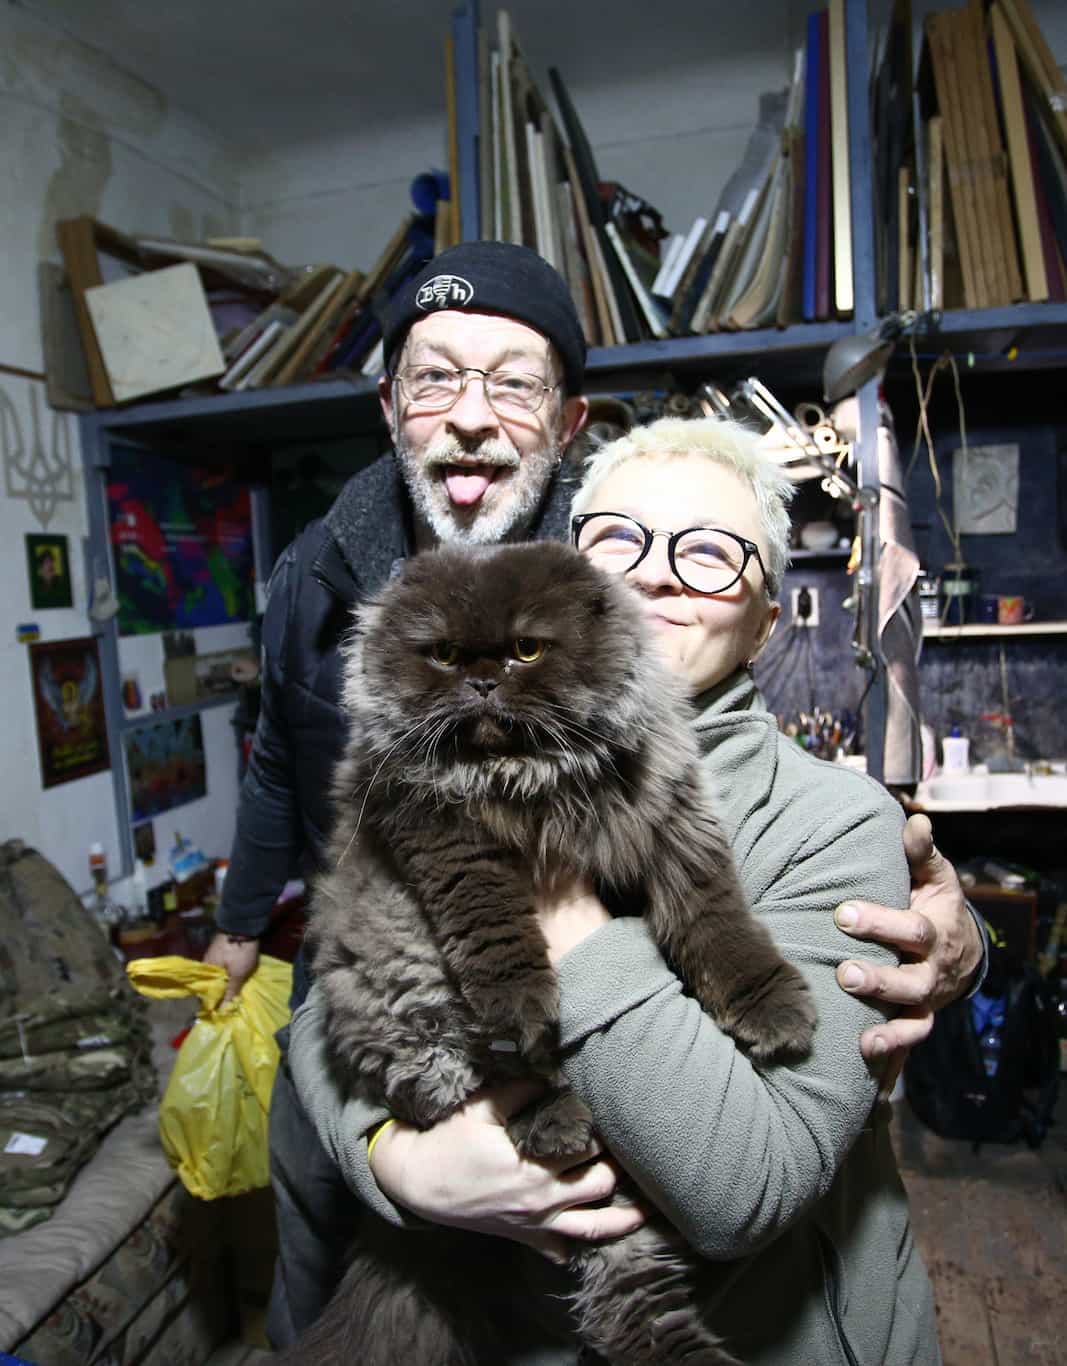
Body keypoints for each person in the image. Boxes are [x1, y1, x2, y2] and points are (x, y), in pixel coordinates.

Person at [203, 242, 983, 1348]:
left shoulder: (799, 790)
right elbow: (318, 882)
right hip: (418, 1139)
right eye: (434, 376)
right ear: (387, 403)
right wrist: (396, 1161)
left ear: (566, 425)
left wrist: (964, 940)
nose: (470, 416)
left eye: (513, 382)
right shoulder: (317, 579)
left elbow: (749, 1164)